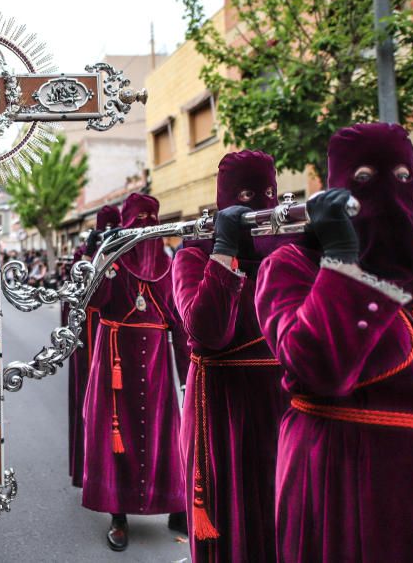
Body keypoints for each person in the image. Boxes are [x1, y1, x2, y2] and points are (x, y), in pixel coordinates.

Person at [255, 123, 413, 562]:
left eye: (401, 177)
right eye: (363, 178)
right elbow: (316, 368)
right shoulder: (292, 267)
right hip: (342, 495)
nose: (388, 194)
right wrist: (341, 258)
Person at [172, 151, 288, 562]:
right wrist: (223, 250)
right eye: (246, 196)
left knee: (284, 522)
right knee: (233, 521)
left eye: (267, 196)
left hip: (285, 403)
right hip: (221, 408)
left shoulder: (289, 249)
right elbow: (207, 332)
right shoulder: (193, 254)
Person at [82, 193, 188, 551]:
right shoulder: (114, 258)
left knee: (163, 433)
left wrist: (188, 373)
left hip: (157, 364)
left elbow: (180, 319)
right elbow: (93, 303)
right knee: (118, 436)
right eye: (137, 222)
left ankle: (175, 507)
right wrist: (104, 261)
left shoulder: (170, 263)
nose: (145, 229)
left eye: (150, 221)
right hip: (115, 362)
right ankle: (118, 514)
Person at [66, 205, 121, 489]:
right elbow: (75, 295)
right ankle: (85, 468)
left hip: (114, 343)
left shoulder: (125, 253)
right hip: (86, 341)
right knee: (85, 404)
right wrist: (90, 253)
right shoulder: (82, 258)